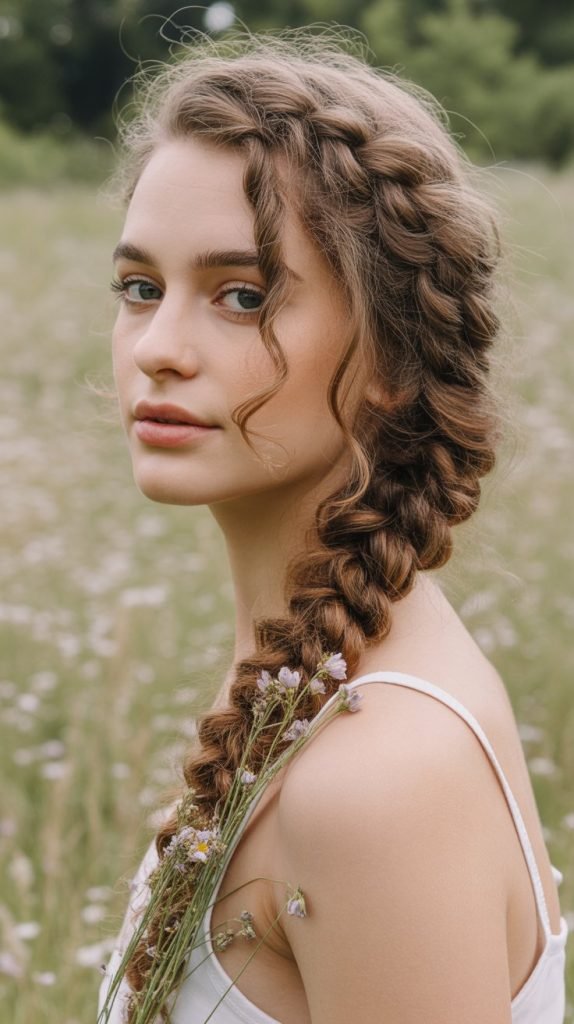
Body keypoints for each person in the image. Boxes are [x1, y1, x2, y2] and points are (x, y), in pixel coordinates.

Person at [97, 29, 568, 1024]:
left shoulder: (375, 782)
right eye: (140, 287)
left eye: (242, 296)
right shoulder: (312, 669)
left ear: (393, 355)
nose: (158, 349)